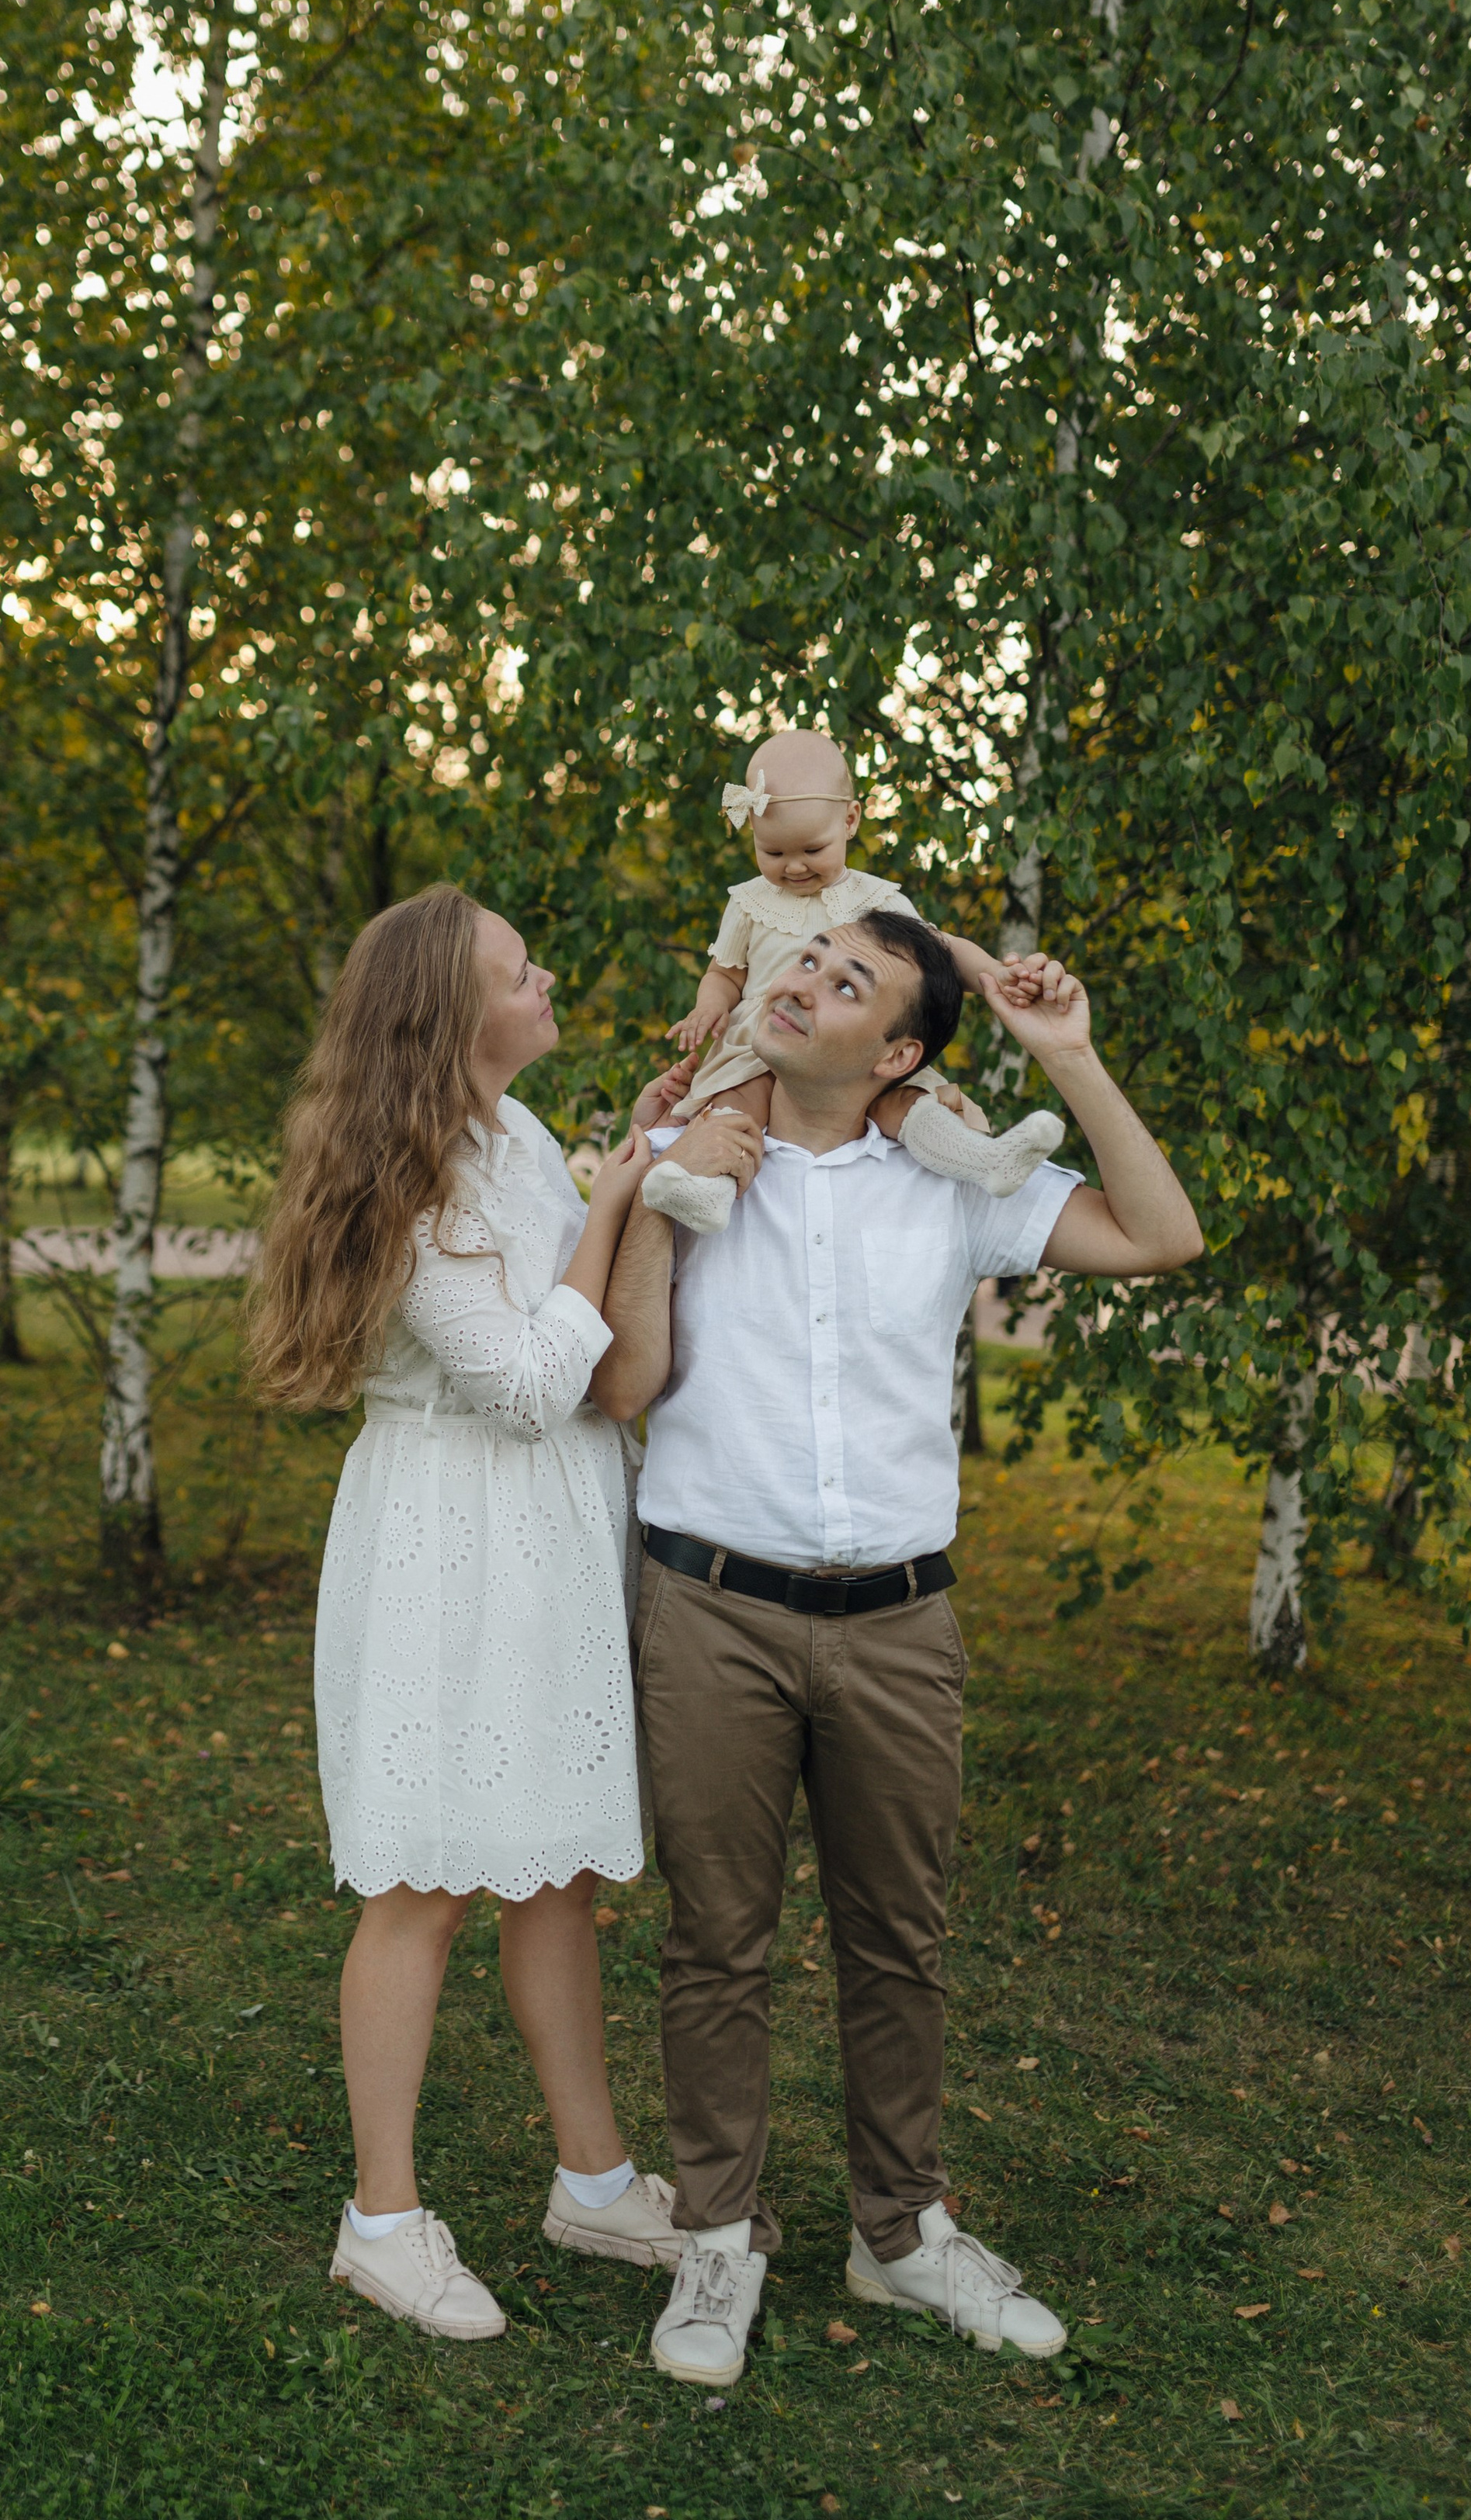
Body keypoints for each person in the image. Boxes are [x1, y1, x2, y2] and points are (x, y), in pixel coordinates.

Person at [592, 913, 1202, 2387]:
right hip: (710, 1605)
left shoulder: (955, 1182)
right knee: (716, 1943)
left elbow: (1161, 1233)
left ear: (906, 1050)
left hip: (900, 1622)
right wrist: (661, 1197)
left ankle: (902, 2229)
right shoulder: (696, 1154)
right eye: (799, 965)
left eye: (847, 982)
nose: (801, 984)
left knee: (897, 1943)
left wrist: (1072, 1057)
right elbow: (623, 1386)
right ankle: (718, 2237)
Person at [250, 883, 684, 2344]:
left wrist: (623, 1159)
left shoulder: (521, 1139)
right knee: (424, 1881)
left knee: (558, 1867)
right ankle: (381, 2215)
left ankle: (596, 2177)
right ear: (455, 1014)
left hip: (550, 1538)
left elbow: (587, 1313)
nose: (546, 972)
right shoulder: (413, 1174)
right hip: (447, 1543)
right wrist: (617, 1197)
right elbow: (518, 1379)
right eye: (522, 966)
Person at [651, 726, 1064, 1229]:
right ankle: (710, 1190)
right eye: (774, 854)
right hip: (766, 1038)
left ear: (850, 820)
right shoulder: (749, 902)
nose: (795, 866)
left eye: (812, 849)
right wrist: (708, 1005)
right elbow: (725, 972)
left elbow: (943, 950)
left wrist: (998, 977)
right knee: (739, 1107)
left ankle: (985, 1159)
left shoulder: (877, 900)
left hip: (856, 1051)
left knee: (903, 1102)